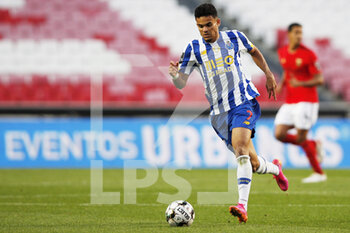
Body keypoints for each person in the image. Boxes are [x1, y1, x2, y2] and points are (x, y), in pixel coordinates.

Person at [168, 3, 288, 223]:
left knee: (240, 148)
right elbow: (181, 83)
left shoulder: (234, 38)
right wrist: (175, 75)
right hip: (218, 113)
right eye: (200, 26)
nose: (204, 30)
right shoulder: (193, 49)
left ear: (217, 22)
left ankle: (242, 206)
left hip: (243, 102)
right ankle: (275, 169)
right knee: (251, 162)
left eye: (208, 24)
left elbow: (254, 51)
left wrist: (269, 74)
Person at [275, 23, 326, 183]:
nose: (299, 36)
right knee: (279, 134)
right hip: (290, 101)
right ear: (289, 34)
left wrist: (301, 83)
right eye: (296, 32)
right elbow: (287, 70)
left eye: (300, 33)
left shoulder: (308, 54)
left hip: (307, 101)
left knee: (301, 137)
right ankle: (313, 144)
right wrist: (281, 85)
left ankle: (318, 173)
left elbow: (320, 79)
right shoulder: (282, 52)